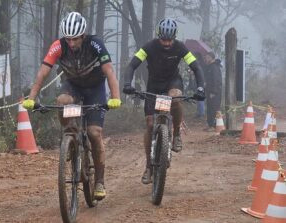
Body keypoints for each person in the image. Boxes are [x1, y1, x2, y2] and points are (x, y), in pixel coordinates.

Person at [22, 12, 121, 200]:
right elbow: (43, 73)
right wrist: (32, 98)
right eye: (68, 39)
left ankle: (99, 181)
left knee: (94, 133)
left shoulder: (95, 44)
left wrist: (115, 97)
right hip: (73, 85)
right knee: (62, 101)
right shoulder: (58, 46)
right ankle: (71, 136)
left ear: (83, 36)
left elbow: (109, 71)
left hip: (95, 88)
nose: (72, 43)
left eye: (75, 39)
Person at [122, 18, 205, 184]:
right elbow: (132, 65)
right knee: (150, 124)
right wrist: (127, 84)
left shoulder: (180, 47)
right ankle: (148, 166)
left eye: (170, 40)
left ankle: (176, 134)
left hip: (172, 82)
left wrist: (201, 87)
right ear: (158, 36)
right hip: (153, 85)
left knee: (175, 98)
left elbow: (196, 67)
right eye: (163, 39)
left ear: (174, 37)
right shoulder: (149, 46)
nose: (167, 43)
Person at [203, 52, 222, 130]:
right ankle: (210, 125)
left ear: (211, 57)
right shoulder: (209, 67)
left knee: (214, 108)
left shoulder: (214, 67)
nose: (205, 59)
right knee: (210, 108)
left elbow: (216, 80)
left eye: (207, 57)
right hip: (209, 91)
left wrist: (213, 92)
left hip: (214, 92)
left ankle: (214, 126)